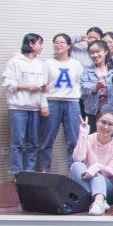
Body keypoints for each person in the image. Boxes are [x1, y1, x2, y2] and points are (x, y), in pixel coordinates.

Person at [38, 33, 84, 172]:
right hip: (52, 102)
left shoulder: (76, 64)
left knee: (74, 140)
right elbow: (43, 86)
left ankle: (74, 172)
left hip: (72, 103)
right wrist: (43, 104)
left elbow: (79, 83)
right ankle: (44, 171)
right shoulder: (48, 63)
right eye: (56, 42)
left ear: (69, 46)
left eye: (62, 42)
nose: (58, 45)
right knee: (47, 139)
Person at [4, 33, 46, 174]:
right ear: (31, 44)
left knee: (34, 143)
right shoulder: (14, 61)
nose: (42, 47)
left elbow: (44, 87)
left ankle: (30, 172)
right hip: (18, 108)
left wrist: (43, 104)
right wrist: (27, 87)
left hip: (35, 108)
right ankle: (16, 172)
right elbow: (7, 83)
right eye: (40, 43)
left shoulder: (41, 64)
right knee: (18, 142)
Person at [70, 111, 113, 215]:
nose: (106, 127)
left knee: (97, 174)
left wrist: (96, 167)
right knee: (76, 165)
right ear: (96, 122)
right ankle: (96, 202)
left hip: (108, 187)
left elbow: (112, 170)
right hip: (88, 182)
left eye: (110, 124)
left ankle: (99, 200)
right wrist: (83, 133)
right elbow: (78, 158)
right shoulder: (89, 138)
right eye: (103, 122)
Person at [81, 39, 113, 131]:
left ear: (105, 51)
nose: (95, 55)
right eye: (91, 52)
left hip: (112, 110)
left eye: (98, 51)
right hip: (92, 111)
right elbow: (83, 88)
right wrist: (96, 87)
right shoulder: (87, 71)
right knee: (92, 135)